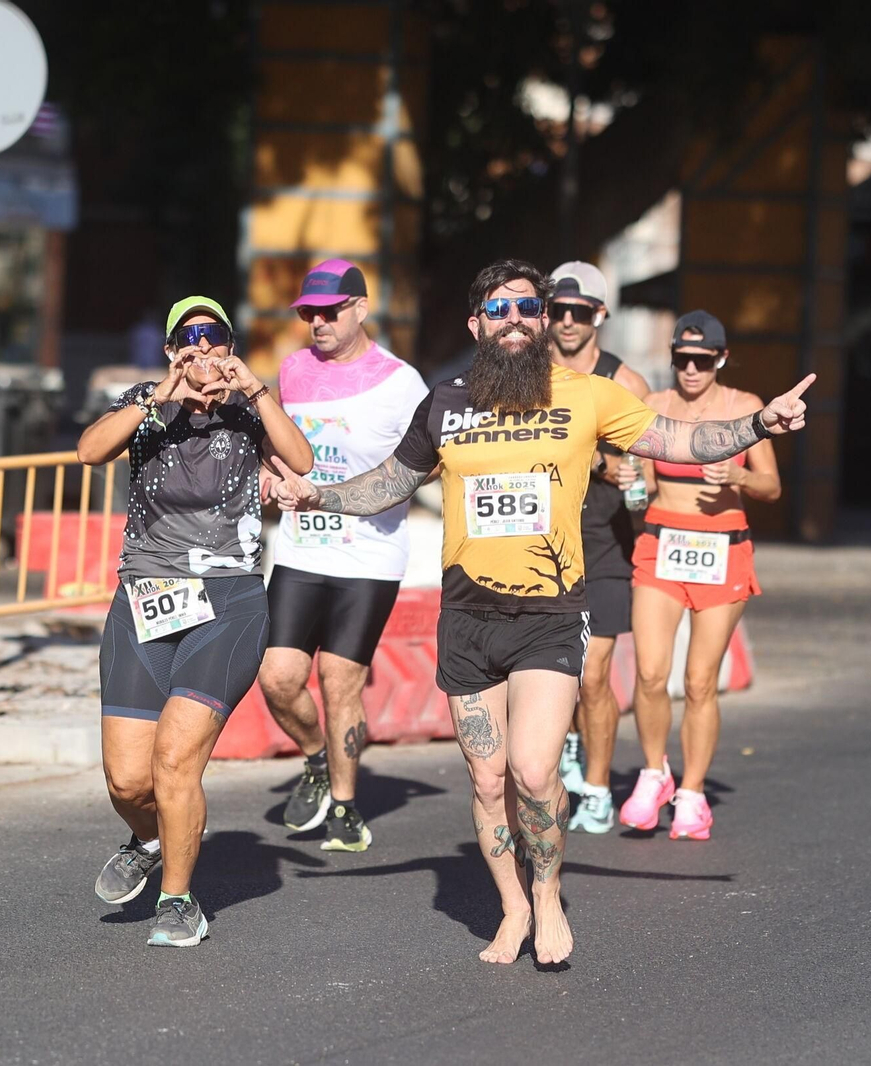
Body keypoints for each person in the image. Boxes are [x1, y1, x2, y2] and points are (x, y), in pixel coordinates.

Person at [269, 260, 814, 965]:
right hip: (467, 616)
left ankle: (549, 896)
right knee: (486, 779)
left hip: (550, 614)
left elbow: (676, 441)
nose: (518, 320)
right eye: (500, 310)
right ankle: (513, 907)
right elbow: (387, 484)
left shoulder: (587, 396)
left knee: (531, 772)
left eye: (530, 308)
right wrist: (316, 495)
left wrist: (759, 423)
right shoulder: (445, 403)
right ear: (477, 326)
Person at [79, 295, 313, 947]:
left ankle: (179, 901)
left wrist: (259, 392)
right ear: (171, 348)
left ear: (232, 347)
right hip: (145, 602)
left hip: (227, 603)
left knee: (175, 760)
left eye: (216, 338)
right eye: (190, 337)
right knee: (128, 779)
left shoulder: (246, 411)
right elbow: (88, 452)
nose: (203, 350)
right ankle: (153, 837)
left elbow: (303, 461)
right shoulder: (145, 404)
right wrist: (157, 395)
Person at [258, 259, 429, 852]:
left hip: (369, 556)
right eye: (308, 313)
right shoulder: (293, 371)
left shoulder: (402, 382)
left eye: (330, 311)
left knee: (339, 680)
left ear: (360, 308)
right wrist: (268, 473)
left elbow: (429, 462)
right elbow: (280, 444)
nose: (317, 322)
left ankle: (347, 804)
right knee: (277, 678)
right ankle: (314, 759)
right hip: (303, 548)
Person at [616, 311, 781, 841]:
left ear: (720, 359)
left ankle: (692, 792)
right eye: (682, 360)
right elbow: (640, 486)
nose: (691, 370)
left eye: (702, 361)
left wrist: (738, 474)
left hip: (722, 549)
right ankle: (652, 773)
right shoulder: (654, 408)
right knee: (648, 672)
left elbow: (772, 486)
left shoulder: (744, 408)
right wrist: (627, 479)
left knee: (699, 681)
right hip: (661, 545)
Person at [544, 262, 650, 835]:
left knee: (592, 675)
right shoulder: (529, 376)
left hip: (605, 546)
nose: (565, 322)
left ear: (600, 316)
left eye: (577, 312)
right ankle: (560, 752)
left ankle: (598, 787)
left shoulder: (624, 383)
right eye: (556, 311)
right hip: (543, 547)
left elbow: (649, 478)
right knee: (548, 672)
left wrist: (620, 476)